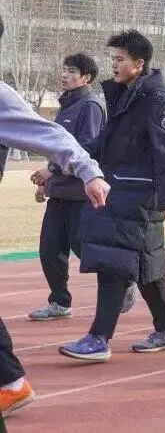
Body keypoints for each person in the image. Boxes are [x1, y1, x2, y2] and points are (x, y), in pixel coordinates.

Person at [0, 14, 110, 416]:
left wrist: (89, 171)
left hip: (74, 193)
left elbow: (51, 136)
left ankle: (10, 383)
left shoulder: (2, 97)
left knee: (77, 248)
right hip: (62, 193)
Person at [58, 29, 165, 361]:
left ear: (138, 64)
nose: (113, 65)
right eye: (112, 58)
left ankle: (99, 338)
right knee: (145, 262)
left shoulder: (154, 97)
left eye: (119, 59)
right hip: (122, 187)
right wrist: (67, 160)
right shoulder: (126, 93)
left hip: (139, 192)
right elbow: (107, 142)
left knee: (115, 261)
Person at [28, 54, 106, 321]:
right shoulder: (66, 106)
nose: (65, 75)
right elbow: (57, 149)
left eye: (71, 71)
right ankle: (60, 302)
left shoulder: (90, 106)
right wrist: (47, 182)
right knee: (49, 250)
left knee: (85, 250)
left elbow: (87, 149)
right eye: (63, 70)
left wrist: (50, 171)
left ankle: (122, 281)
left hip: (80, 195)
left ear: (86, 78)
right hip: (59, 193)